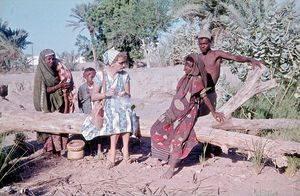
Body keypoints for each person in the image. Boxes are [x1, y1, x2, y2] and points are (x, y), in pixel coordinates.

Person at [150, 53, 225, 179]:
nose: (185, 67)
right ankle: (164, 155)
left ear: (195, 67)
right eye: (185, 64)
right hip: (174, 110)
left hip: (188, 112)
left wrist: (213, 112)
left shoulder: (197, 80)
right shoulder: (185, 77)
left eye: (189, 66)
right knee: (156, 128)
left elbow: (204, 97)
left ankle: (172, 168)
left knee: (179, 138)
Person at [196, 30, 263, 156]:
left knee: (212, 119)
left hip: (210, 93)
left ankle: (215, 147)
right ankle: (206, 148)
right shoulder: (198, 57)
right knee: (200, 120)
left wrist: (250, 59)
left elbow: (235, 57)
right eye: (200, 44)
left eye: (205, 43)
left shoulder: (216, 54)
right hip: (199, 94)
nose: (202, 46)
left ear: (210, 42)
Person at [81, 48, 133, 168]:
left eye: (124, 62)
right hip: (107, 106)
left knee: (126, 115)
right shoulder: (101, 75)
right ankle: (113, 152)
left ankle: (125, 150)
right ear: (112, 63)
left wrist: (124, 94)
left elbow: (129, 94)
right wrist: (106, 94)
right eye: (121, 63)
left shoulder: (125, 75)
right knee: (114, 118)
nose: (124, 65)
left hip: (122, 104)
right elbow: (94, 96)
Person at [33, 49, 74, 157]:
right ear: (43, 60)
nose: (51, 61)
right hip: (47, 102)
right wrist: (59, 86)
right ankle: (52, 151)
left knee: (60, 122)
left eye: (53, 58)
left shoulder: (57, 68)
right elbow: (43, 90)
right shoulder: (40, 72)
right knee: (51, 126)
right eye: (48, 59)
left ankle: (60, 149)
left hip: (58, 100)